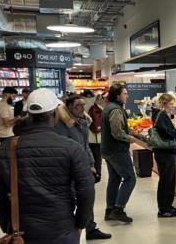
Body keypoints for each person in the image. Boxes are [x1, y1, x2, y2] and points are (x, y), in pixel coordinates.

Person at [0, 88, 95, 243]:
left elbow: (1, 195)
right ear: (54, 114)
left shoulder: (6, 149)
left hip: (23, 233)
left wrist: (8, 227)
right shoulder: (70, 147)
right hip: (63, 230)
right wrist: (80, 224)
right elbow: (87, 190)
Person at [55, 95, 112, 241]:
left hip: (83, 168)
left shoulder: (83, 122)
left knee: (87, 198)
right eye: (77, 106)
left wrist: (91, 164)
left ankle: (90, 229)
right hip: (69, 170)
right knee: (70, 202)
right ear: (68, 107)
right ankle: (70, 232)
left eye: (82, 104)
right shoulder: (61, 125)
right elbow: (65, 149)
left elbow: (85, 146)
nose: (81, 108)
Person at [101, 84, 137, 223]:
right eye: (124, 93)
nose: (127, 96)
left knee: (114, 179)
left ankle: (109, 210)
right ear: (117, 95)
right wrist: (131, 138)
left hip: (108, 149)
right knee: (130, 179)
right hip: (117, 150)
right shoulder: (116, 110)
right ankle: (118, 209)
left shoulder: (108, 107)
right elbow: (117, 133)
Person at [153, 93, 176, 218]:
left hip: (166, 152)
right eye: (170, 104)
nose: (172, 106)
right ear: (164, 103)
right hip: (164, 152)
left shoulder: (163, 115)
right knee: (166, 181)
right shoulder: (161, 115)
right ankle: (163, 209)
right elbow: (166, 132)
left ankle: (168, 205)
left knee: (170, 180)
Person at [88, 94, 105, 178]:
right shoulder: (101, 109)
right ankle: (98, 173)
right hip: (98, 137)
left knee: (90, 156)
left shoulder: (86, 109)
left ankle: (91, 173)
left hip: (88, 138)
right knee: (98, 156)